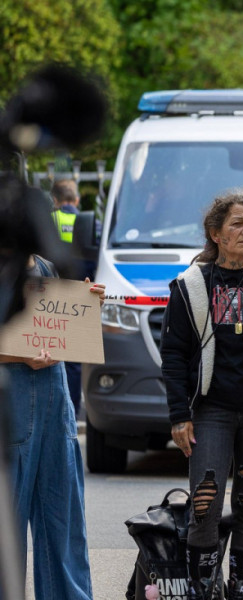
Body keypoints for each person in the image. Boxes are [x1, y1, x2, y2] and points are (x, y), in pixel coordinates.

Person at [160, 188, 243, 600]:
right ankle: (203, 591)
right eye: (237, 223)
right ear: (215, 233)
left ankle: (240, 591)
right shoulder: (191, 285)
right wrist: (179, 415)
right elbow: (173, 354)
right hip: (211, 411)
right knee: (205, 507)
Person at [0, 255, 105, 600]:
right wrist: (19, 355)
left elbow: (63, 331)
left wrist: (87, 306)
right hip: (10, 409)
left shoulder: (46, 267)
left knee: (63, 525)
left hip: (55, 410)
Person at [50, 177, 87, 415]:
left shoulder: (49, 221)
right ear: (77, 199)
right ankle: (72, 409)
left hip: (50, 296)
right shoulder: (90, 223)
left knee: (48, 354)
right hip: (79, 296)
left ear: (55, 200)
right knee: (74, 359)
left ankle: (53, 407)